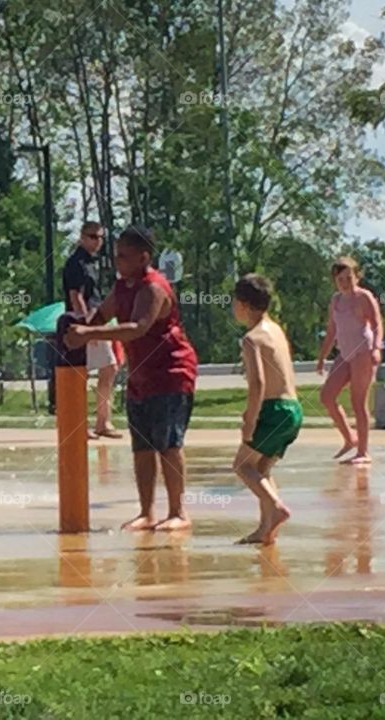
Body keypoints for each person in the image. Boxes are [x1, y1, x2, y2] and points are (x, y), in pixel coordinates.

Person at [65, 226, 198, 532]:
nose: (117, 262)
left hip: (171, 372)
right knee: (142, 445)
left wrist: (89, 335)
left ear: (143, 257)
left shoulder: (154, 287)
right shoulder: (122, 286)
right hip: (141, 374)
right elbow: (101, 315)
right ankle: (147, 512)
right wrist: (76, 326)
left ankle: (178, 512)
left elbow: (137, 327)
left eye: (124, 256)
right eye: (116, 255)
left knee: (168, 444)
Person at [231, 274, 302, 545]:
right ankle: (266, 529)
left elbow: (258, 383)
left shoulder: (251, 338)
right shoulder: (276, 330)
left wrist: (250, 418)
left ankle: (276, 508)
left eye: (234, 302)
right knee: (262, 467)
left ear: (243, 304)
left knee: (241, 465)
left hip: (273, 409)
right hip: (293, 408)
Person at [316, 257, 383, 465]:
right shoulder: (336, 300)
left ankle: (363, 452)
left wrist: (377, 348)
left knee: (358, 401)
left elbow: (377, 324)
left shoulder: (364, 297)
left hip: (363, 351)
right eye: (340, 279)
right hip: (344, 353)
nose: (344, 282)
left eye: (348, 278)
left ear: (357, 276)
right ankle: (349, 438)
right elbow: (332, 331)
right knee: (327, 396)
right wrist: (321, 357)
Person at [62, 221, 121, 439]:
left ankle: (101, 422)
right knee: (83, 372)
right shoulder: (76, 263)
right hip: (84, 322)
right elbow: (75, 296)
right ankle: (81, 424)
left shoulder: (92, 263)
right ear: (82, 237)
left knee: (108, 367)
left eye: (101, 238)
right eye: (93, 237)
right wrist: (87, 329)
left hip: (96, 320)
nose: (98, 242)